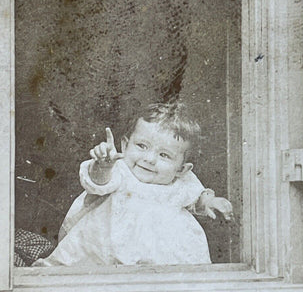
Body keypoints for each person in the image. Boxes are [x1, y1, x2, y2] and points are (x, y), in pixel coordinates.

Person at [33, 102, 233, 267]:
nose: (149, 159)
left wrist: (210, 202)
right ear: (124, 145)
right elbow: (97, 183)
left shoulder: (181, 181)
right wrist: (103, 165)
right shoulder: (120, 169)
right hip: (104, 247)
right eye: (141, 146)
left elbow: (196, 196)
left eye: (164, 155)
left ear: (181, 169)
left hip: (161, 252)